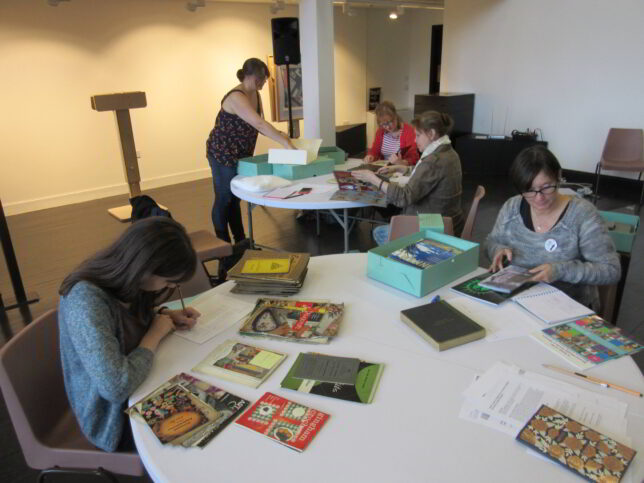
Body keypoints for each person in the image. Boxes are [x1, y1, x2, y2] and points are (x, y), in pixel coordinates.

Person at [58, 217, 202, 452]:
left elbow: (124, 320)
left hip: (140, 386)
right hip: (112, 418)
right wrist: (154, 335)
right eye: (168, 282)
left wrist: (165, 314)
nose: (167, 288)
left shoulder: (126, 280)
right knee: (205, 429)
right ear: (144, 268)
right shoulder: (86, 302)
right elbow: (116, 387)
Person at [486, 145, 620, 311]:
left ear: (559, 176)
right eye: (529, 190)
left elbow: (610, 270)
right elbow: (492, 241)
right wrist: (497, 249)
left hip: (568, 306)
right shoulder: (512, 207)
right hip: (517, 301)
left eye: (546, 187)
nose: (539, 198)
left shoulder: (582, 214)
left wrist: (560, 270)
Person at [206, 58, 295, 243]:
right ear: (251, 76)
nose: (263, 82)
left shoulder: (255, 94)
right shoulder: (236, 97)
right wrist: (285, 142)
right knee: (224, 199)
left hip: (241, 154)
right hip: (223, 153)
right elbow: (259, 123)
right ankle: (223, 245)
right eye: (261, 78)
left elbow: (258, 124)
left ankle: (240, 242)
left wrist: (279, 134)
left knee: (235, 198)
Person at [353, 110, 464, 244]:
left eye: (417, 135)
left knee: (380, 232)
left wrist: (373, 179)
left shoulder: (433, 161)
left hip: (433, 229)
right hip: (448, 222)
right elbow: (431, 175)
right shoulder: (449, 152)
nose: (415, 140)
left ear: (432, 134)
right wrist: (404, 168)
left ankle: (409, 262)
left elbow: (404, 197)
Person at [364, 101, 419, 166]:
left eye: (390, 122)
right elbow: (375, 150)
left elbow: (413, 158)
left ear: (395, 116)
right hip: (384, 168)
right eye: (384, 124)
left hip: (401, 169)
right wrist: (371, 156)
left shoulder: (409, 131)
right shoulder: (380, 131)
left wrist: (402, 162)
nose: (388, 127)